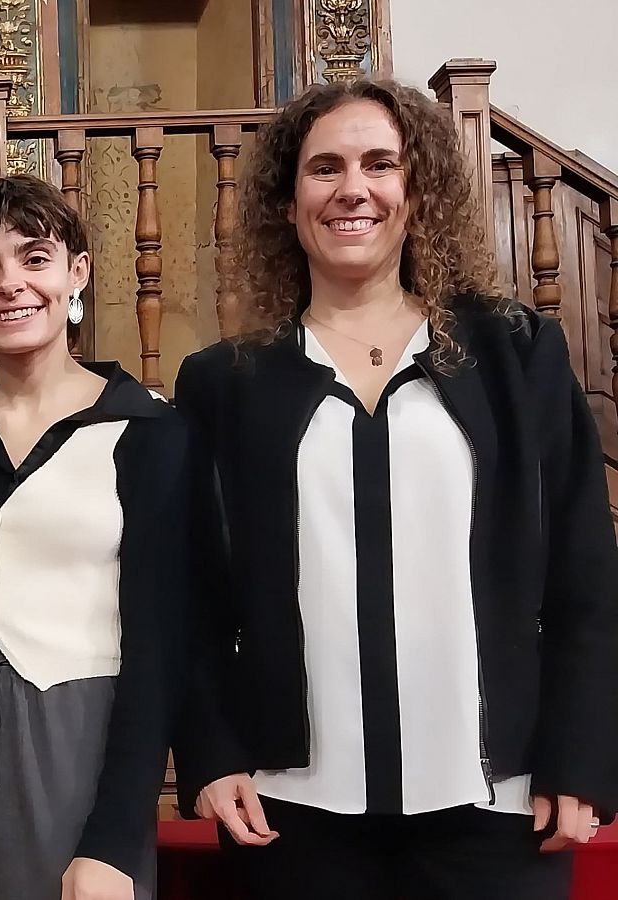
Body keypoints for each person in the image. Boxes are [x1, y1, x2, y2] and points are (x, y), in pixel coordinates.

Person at [173, 79, 618, 899]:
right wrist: (210, 751)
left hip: (497, 801)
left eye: (382, 164)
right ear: (285, 200)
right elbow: (193, 599)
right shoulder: (226, 384)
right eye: (324, 168)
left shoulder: (517, 357)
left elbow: (587, 578)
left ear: (418, 190)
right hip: (289, 809)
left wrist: (583, 754)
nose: (354, 189)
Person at [0, 174, 188, 900]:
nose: (10, 284)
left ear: (75, 273)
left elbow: (160, 646)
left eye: (35, 258)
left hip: (75, 734)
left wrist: (116, 835)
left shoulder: (146, 428)